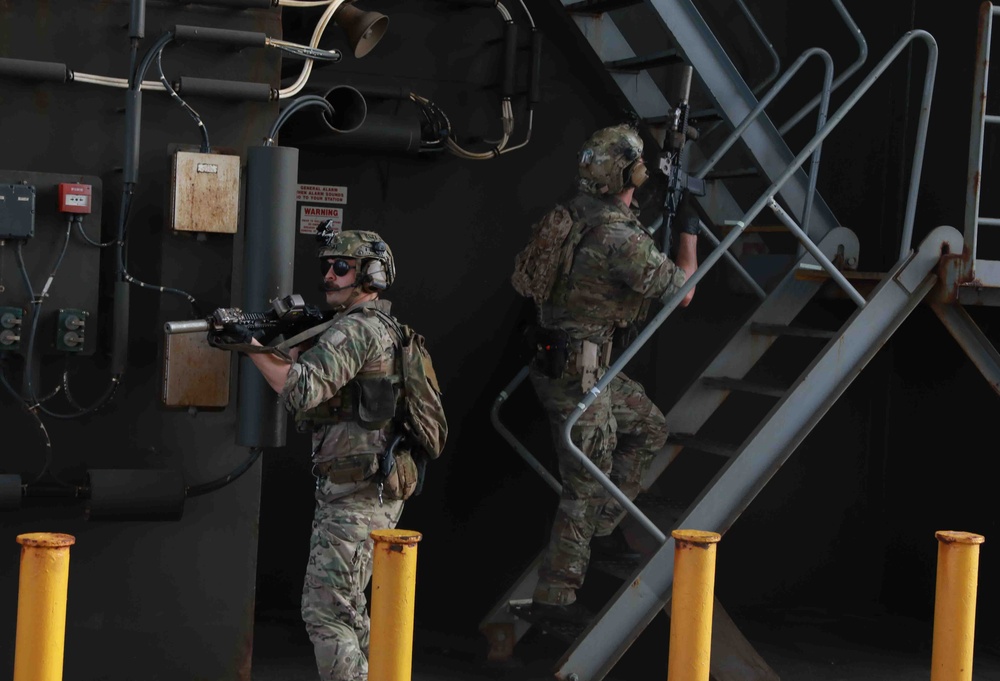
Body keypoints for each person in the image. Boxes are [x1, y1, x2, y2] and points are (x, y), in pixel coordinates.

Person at [209, 225, 417, 681]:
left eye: (342, 267)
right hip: (364, 486)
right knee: (350, 611)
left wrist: (250, 346)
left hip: (358, 492)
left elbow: (301, 389)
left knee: (326, 613)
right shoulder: (371, 326)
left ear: (372, 275)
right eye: (327, 266)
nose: (330, 275)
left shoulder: (356, 331)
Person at [514, 123, 699, 624]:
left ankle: (603, 529)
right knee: (585, 484)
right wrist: (688, 229)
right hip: (579, 371)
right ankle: (556, 597)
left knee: (649, 427)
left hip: (573, 363)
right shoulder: (618, 234)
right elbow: (683, 290)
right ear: (631, 173)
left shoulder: (573, 214)